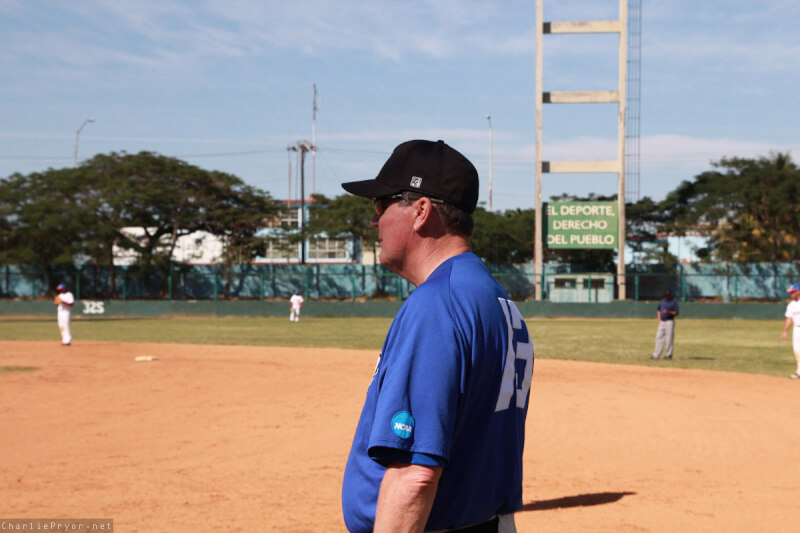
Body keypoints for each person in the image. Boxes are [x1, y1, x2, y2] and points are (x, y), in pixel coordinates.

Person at [340, 139, 533, 533]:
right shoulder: (493, 296)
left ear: (421, 211)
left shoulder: (437, 305)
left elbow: (415, 475)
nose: (374, 221)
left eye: (382, 205)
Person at [651, 288, 679, 360]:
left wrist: (669, 312)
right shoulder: (662, 301)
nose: (667, 296)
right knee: (658, 337)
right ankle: (656, 355)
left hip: (670, 321)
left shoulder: (673, 302)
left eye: (668, 295)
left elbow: (676, 313)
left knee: (669, 338)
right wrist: (659, 317)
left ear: (670, 295)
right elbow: (658, 309)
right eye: (666, 295)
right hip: (662, 322)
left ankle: (668, 355)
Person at [781, 284, 800, 379]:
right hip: (797, 328)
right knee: (797, 350)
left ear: (798, 291)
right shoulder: (791, 305)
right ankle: (799, 371)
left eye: (793, 292)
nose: (791, 294)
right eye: (790, 292)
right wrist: (785, 331)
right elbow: (789, 318)